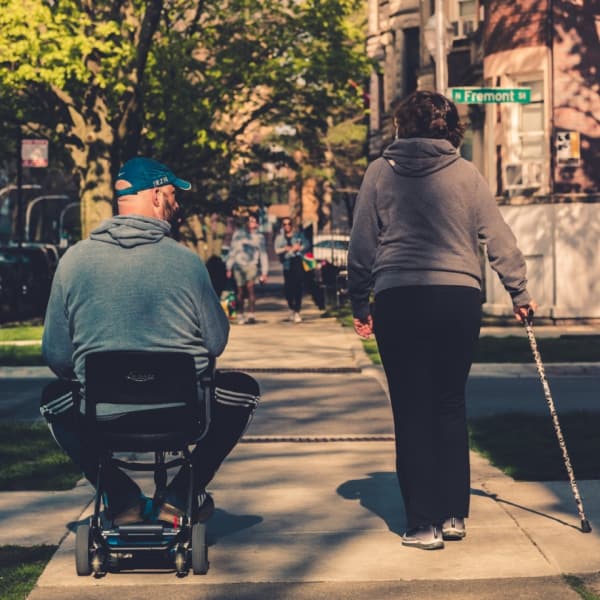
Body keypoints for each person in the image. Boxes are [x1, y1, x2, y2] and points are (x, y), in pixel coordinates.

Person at [347, 91, 537, 551]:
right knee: (450, 403)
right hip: (457, 298)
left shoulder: (379, 173)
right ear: (450, 129)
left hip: (399, 296)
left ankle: (423, 523)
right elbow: (499, 237)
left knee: (411, 407)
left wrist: (359, 303)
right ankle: (454, 513)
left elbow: (361, 247)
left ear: (400, 126)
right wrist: (519, 292)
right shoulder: (467, 173)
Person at [41, 157, 258, 526]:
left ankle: (121, 496)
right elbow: (216, 342)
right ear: (156, 197)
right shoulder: (187, 262)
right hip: (181, 414)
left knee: (53, 398)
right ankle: (179, 495)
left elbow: (57, 356)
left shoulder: (73, 261)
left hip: (101, 416)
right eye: (173, 195)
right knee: (243, 389)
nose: (177, 204)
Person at [225, 213, 269, 324]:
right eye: (249, 221)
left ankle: (251, 314)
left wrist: (264, 272)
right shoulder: (238, 234)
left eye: (254, 221)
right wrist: (229, 267)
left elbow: (263, 254)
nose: (251, 223)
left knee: (250, 289)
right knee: (240, 291)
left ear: (257, 224)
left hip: (251, 265)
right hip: (238, 265)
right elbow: (232, 251)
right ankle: (240, 314)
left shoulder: (260, 237)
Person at [274, 218, 310, 323]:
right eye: (284, 224)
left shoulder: (298, 235)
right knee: (288, 288)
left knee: (298, 286)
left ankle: (297, 311)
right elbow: (276, 250)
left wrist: (299, 247)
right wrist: (286, 249)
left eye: (289, 224)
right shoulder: (280, 238)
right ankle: (291, 308)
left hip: (298, 262)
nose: (287, 226)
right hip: (287, 264)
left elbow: (307, 244)